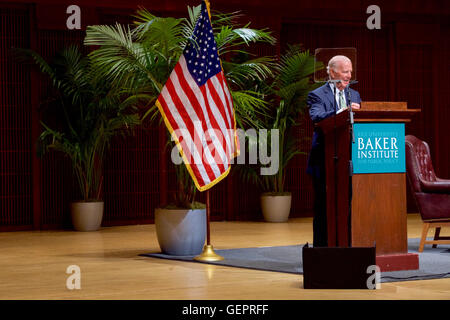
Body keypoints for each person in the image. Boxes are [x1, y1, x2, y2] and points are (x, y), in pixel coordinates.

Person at [306, 55, 361, 247]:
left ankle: (347, 246)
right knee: (323, 207)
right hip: (324, 161)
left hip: (349, 161)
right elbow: (318, 118)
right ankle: (321, 250)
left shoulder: (354, 95)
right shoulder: (317, 95)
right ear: (332, 72)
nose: (349, 75)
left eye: (350, 71)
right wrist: (344, 112)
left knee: (347, 206)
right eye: (345, 71)